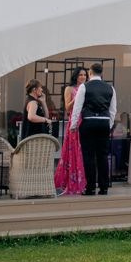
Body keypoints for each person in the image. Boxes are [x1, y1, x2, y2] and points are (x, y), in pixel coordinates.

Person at [69, 62, 117, 196]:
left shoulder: (84, 87)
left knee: (88, 156)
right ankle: (104, 187)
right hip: (104, 123)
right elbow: (113, 110)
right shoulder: (110, 88)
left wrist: (73, 125)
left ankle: (90, 188)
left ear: (90, 73)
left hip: (88, 123)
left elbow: (77, 107)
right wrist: (109, 124)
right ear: (101, 73)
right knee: (102, 155)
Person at [54, 66, 87, 195]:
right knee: (73, 151)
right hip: (74, 122)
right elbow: (67, 107)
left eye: (85, 75)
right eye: (80, 75)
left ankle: (84, 182)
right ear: (75, 76)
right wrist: (77, 97)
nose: (83, 77)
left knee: (84, 152)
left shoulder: (87, 88)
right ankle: (70, 182)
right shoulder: (70, 89)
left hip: (86, 122)